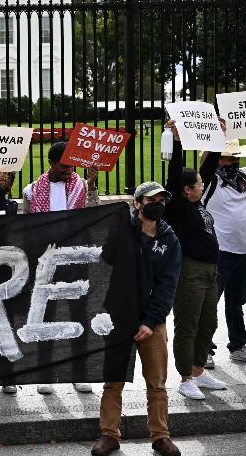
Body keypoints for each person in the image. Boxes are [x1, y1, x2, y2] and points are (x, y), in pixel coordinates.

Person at [92, 181, 181, 456]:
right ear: (138, 203)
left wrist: (150, 321)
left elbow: (168, 286)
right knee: (113, 379)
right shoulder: (122, 229)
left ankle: (160, 435)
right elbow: (106, 258)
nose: (158, 205)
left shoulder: (169, 239)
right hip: (119, 318)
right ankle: (109, 434)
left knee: (157, 383)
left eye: (162, 200)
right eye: (152, 199)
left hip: (152, 322)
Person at [23, 141, 98, 395]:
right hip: (46, 265)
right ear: (51, 163)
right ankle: (46, 374)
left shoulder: (82, 186)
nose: (69, 170)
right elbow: (27, 228)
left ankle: (79, 373)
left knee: (78, 315)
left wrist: (92, 186)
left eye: (71, 165)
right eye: (64, 166)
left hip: (75, 262)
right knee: (46, 317)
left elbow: (95, 215)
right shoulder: (32, 190)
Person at [163, 119, 226, 400]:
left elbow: (208, 170)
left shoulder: (197, 203)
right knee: (187, 324)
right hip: (189, 271)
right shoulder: (177, 207)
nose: (203, 184)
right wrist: (177, 144)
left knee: (208, 323)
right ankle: (185, 377)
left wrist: (217, 139)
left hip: (210, 272)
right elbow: (175, 177)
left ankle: (199, 370)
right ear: (186, 189)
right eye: (198, 183)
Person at [199, 135, 246, 365]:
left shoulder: (243, 177)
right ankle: (204, 349)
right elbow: (206, 162)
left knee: (236, 302)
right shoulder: (209, 181)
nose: (232, 162)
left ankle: (238, 346)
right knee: (209, 302)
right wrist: (215, 139)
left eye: (234, 157)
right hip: (219, 251)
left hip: (241, 250)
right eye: (227, 158)